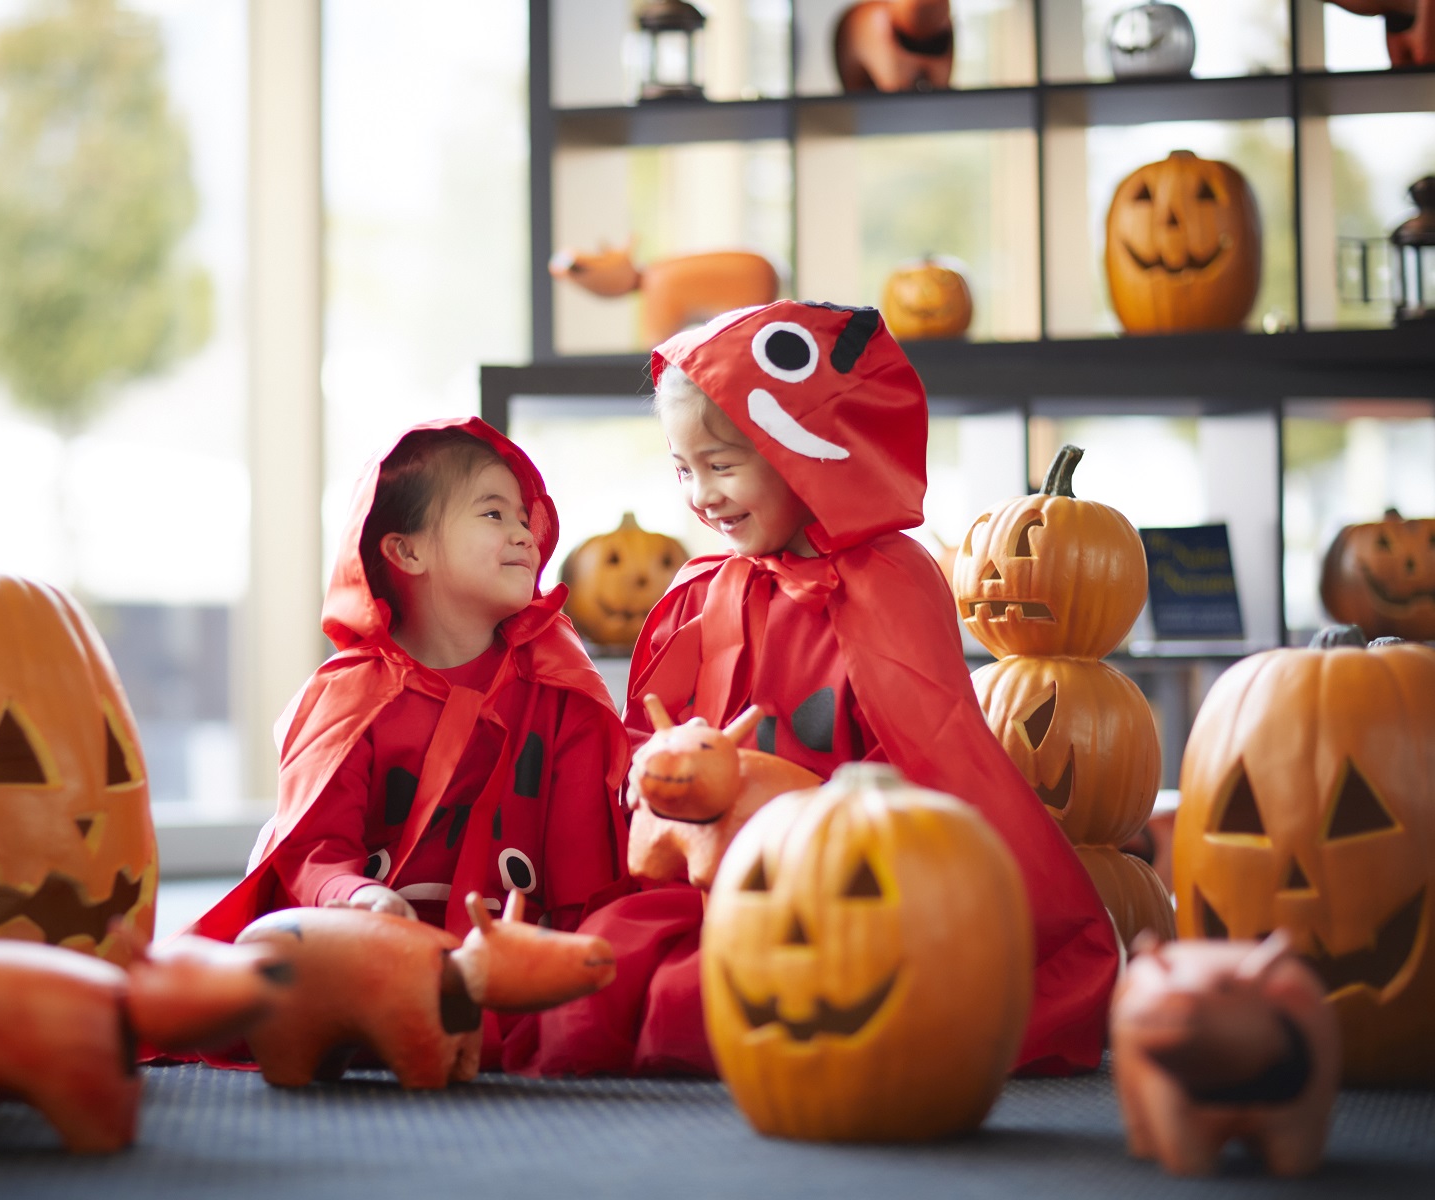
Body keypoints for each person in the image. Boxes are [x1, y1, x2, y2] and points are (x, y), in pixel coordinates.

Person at [512, 301, 1119, 1078]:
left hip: (857, 884)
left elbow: (935, 754)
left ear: (809, 450)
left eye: (723, 465)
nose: (701, 496)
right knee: (597, 972)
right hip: (723, 876)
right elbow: (666, 751)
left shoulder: (889, 580)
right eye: (683, 469)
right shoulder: (708, 593)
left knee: (713, 996)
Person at [179, 417, 632, 1068]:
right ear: (407, 552)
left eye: (524, 516)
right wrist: (360, 898)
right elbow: (313, 853)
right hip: (371, 957)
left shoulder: (561, 692)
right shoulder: (351, 699)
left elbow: (585, 874)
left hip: (508, 959)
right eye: (492, 512)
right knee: (269, 986)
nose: (523, 533)